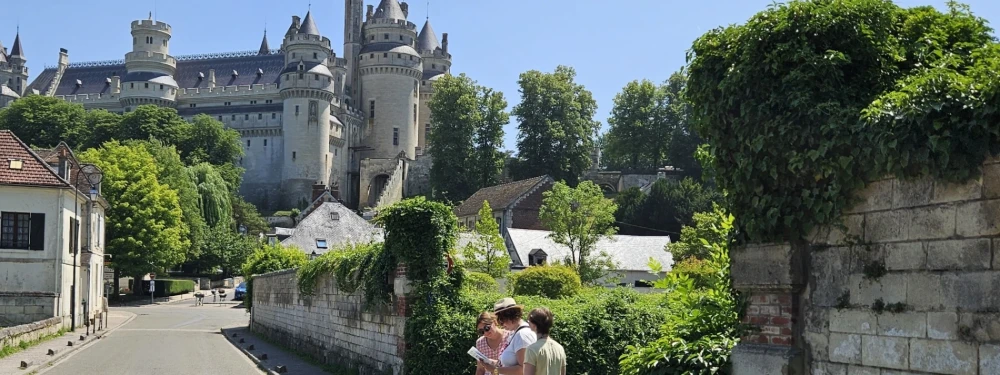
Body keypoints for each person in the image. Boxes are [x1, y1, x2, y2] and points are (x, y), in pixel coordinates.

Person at [480, 298, 537, 375]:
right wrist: (492, 363)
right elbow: (510, 364)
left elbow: (524, 369)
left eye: (501, 320)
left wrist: (495, 370)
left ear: (510, 316)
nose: (501, 324)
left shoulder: (522, 335)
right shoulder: (515, 333)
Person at [523, 307, 566, 375]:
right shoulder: (560, 348)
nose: (528, 324)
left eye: (529, 321)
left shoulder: (532, 349)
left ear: (535, 326)